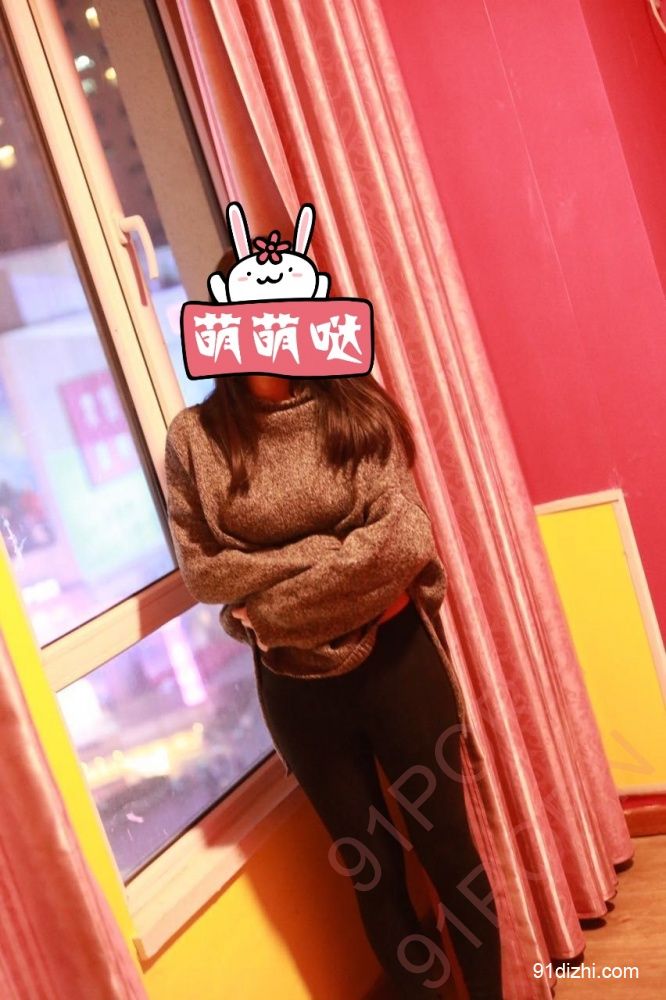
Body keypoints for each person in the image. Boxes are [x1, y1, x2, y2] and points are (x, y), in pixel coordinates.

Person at [164, 372, 503, 999]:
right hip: (297, 691)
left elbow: (404, 541)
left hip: (400, 665)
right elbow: (206, 574)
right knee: (373, 873)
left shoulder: (357, 405)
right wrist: (334, 553)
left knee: (451, 855)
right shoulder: (194, 438)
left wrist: (270, 607)